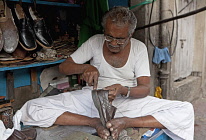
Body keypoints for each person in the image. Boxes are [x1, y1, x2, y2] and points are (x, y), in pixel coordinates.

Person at [20, 6, 194, 140]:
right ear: (104, 31)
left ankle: (125, 122)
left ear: (130, 34)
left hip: (128, 103)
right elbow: (64, 67)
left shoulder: (139, 48)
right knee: (32, 107)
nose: (113, 43)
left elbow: (144, 88)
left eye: (120, 39)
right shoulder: (95, 41)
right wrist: (85, 68)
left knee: (185, 110)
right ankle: (94, 123)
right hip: (91, 99)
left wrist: (123, 90)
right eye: (109, 36)